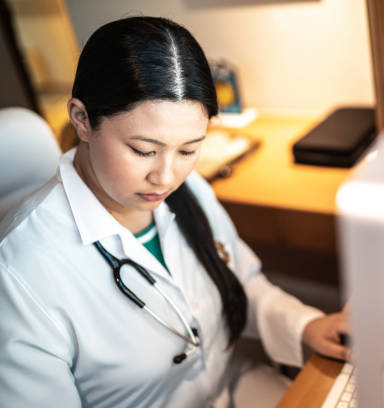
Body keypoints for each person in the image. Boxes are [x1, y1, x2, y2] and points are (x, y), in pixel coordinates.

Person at [0, 17, 349, 407]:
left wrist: (306, 325)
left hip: (230, 389)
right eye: (144, 150)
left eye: (188, 150)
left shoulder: (189, 189)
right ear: (82, 119)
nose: (166, 177)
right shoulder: (19, 273)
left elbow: (237, 281)